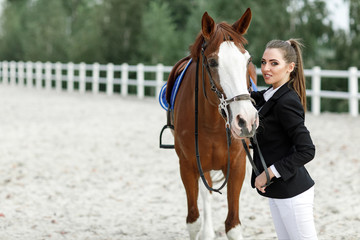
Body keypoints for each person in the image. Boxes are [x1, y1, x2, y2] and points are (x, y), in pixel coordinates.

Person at [250, 39, 318, 240]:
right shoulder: (268, 95)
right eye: (263, 62)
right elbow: (247, 99)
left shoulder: (287, 101)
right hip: (279, 192)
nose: (266, 68)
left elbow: (307, 150)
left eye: (274, 63)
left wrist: (269, 174)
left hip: (293, 194)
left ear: (290, 67)